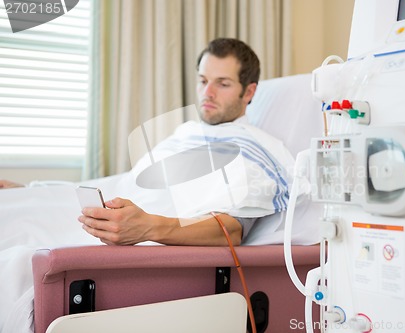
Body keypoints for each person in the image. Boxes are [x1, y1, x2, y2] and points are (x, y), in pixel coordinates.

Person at [0, 38, 294, 247]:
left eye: (223, 83)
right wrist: (33, 191)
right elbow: (125, 184)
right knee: (12, 208)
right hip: (107, 225)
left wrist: (148, 228)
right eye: (203, 80)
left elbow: (231, 230)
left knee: (15, 243)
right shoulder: (187, 133)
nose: (208, 92)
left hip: (138, 242)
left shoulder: (254, 150)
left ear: (249, 91)